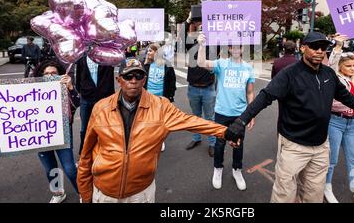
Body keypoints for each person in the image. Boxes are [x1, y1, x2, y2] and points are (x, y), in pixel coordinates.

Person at [224, 31, 354, 203]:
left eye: (323, 47)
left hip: (320, 146)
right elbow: (265, 96)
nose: (319, 51)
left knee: (314, 195)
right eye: (314, 47)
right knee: (284, 195)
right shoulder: (289, 74)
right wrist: (241, 121)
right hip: (293, 146)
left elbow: (347, 98)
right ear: (303, 48)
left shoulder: (328, 74)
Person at [77, 59, 240, 203]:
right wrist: (85, 195)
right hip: (105, 194)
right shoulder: (101, 108)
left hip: (140, 194)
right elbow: (86, 156)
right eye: (128, 76)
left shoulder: (160, 107)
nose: (133, 81)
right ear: (118, 79)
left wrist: (225, 132)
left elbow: (192, 121)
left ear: (144, 80)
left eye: (138, 76)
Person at [0, 60, 80, 203]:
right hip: (39, 138)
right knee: (50, 169)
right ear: (41, 74)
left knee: (70, 169)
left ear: (60, 74)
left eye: (54, 73)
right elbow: (15, 114)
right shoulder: (30, 91)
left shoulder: (64, 88)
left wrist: (71, 87)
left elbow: (77, 103)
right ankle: (58, 193)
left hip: (61, 136)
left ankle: (83, 194)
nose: (50, 76)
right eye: (47, 73)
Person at [197, 33, 255, 191]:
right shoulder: (221, 64)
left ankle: (237, 170)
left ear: (242, 48)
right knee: (219, 143)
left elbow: (250, 92)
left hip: (240, 113)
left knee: (238, 144)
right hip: (222, 112)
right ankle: (218, 168)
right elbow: (201, 63)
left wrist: (251, 114)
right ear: (229, 49)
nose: (235, 49)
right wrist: (202, 45)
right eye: (231, 46)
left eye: (238, 46)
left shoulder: (248, 68)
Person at [324, 41, 354, 203]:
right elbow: (331, 65)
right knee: (332, 159)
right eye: (348, 66)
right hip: (335, 122)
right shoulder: (335, 78)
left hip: (352, 124)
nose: (352, 68)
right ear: (340, 67)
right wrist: (337, 47)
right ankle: (326, 187)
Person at [184, 14, 218, 156]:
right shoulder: (191, 44)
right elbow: (181, 36)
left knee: (210, 118)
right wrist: (188, 20)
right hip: (193, 88)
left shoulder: (213, 46)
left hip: (208, 88)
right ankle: (196, 138)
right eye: (200, 30)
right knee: (196, 116)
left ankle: (212, 143)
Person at [75, 54, 115, 155]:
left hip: (103, 97)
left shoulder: (106, 59)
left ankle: (105, 149)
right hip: (86, 97)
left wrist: (111, 96)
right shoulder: (82, 59)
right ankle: (84, 150)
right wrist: (80, 91)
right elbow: (79, 76)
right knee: (85, 126)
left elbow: (110, 79)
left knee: (104, 124)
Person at [144, 43, 176, 152]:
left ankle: (160, 139)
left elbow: (172, 82)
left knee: (160, 120)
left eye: (150, 51)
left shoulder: (167, 65)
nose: (148, 53)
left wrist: (170, 96)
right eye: (148, 51)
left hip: (161, 98)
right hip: (147, 97)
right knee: (147, 119)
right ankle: (149, 139)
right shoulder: (147, 65)